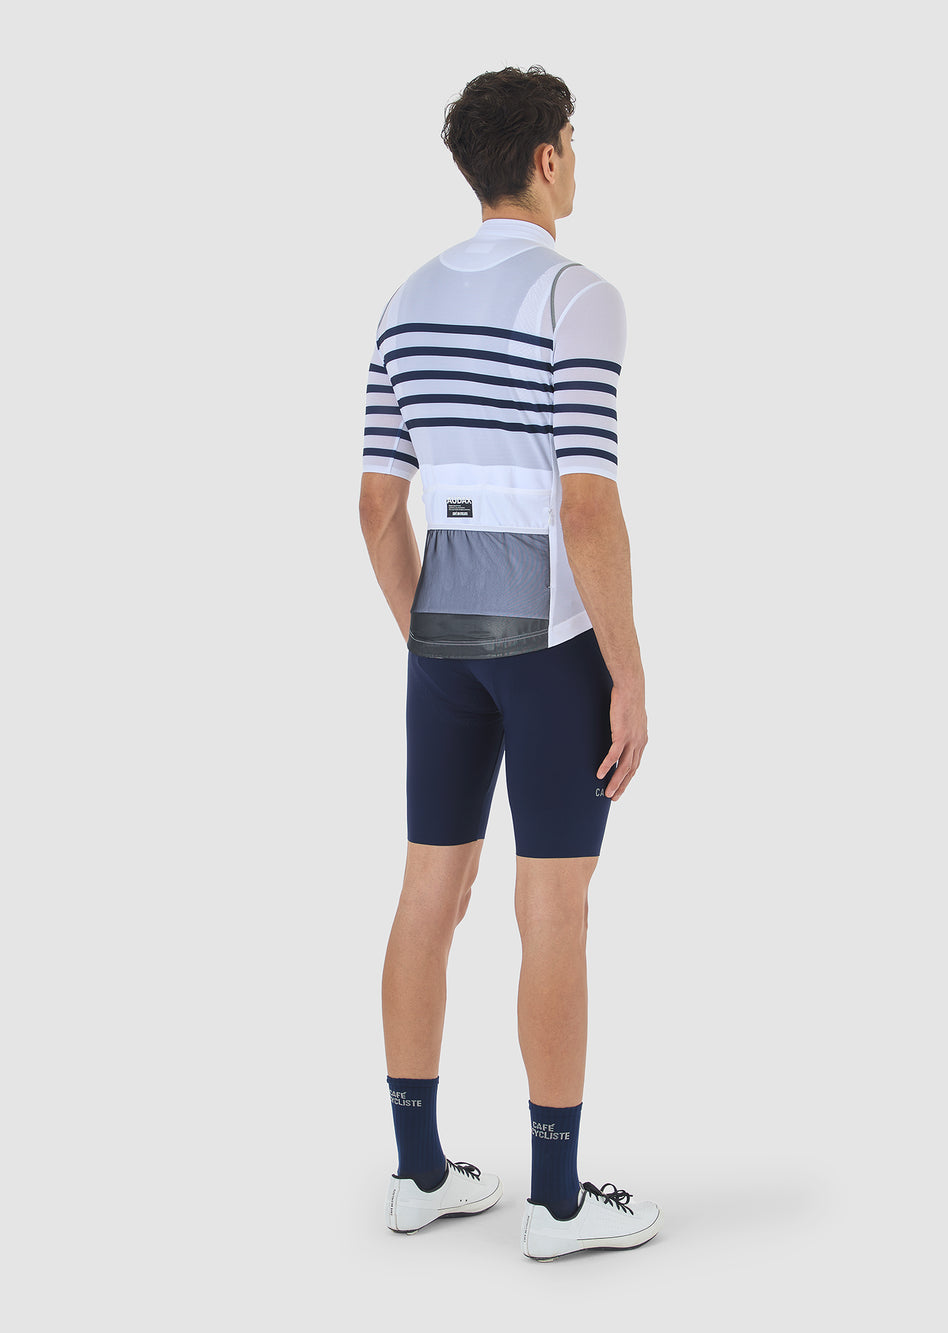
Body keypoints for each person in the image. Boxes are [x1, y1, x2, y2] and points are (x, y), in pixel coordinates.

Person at [359, 65, 661, 1261]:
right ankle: (557, 1202)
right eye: (571, 143)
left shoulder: (404, 299)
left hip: (445, 632)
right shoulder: (577, 297)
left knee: (427, 893)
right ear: (544, 157)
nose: (576, 162)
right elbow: (586, 503)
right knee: (554, 909)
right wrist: (627, 672)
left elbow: (376, 505)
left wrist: (428, 634)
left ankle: (418, 1173)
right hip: (550, 645)